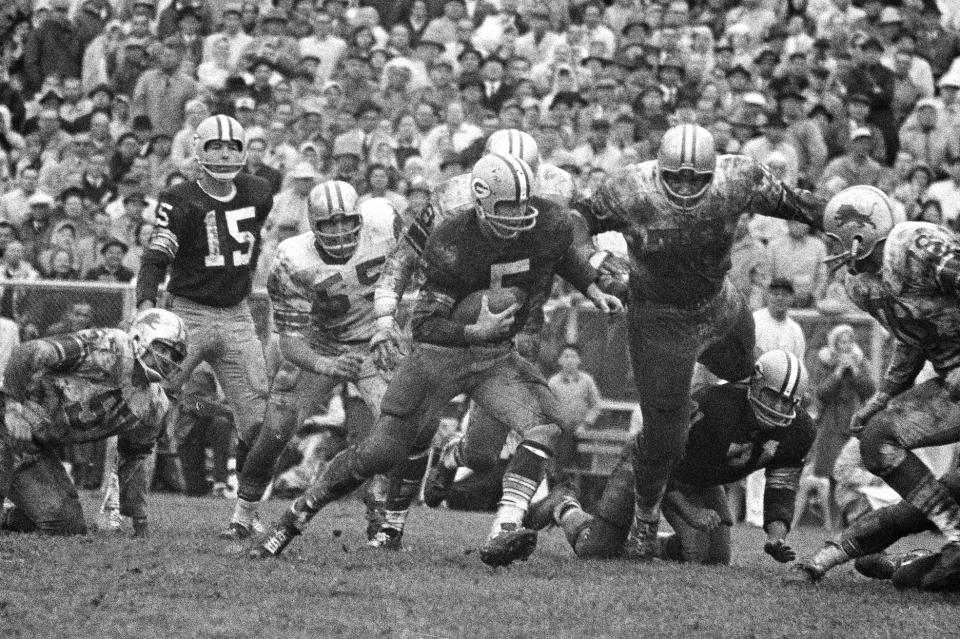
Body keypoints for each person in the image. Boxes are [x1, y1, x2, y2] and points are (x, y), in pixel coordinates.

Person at [252, 153, 622, 567]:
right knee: (380, 454)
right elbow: (426, 324)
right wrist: (471, 332)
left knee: (547, 425)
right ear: (481, 204)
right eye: (507, 207)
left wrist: (591, 287)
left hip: (495, 354)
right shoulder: (451, 241)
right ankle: (296, 514)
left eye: (524, 204)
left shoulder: (548, 220)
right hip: (441, 355)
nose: (519, 216)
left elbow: (560, 255)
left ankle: (505, 527)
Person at [573, 123, 824, 561]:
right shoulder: (629, 187)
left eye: (696, 177)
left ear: (712, 173)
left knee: (752, 370)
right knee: (663, 440)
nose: (686, 186)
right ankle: (640, 515)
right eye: (677, 176)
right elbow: (577, 222)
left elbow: (794, 203)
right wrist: (596, 263)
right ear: (659, 171)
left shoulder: (737, 177)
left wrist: (844, 221)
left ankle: (671, 512)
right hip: (658, 320)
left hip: (717, 305)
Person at [790, 185, 960, 590]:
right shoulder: (861, 285)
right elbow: (911, 335)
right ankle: (952, 537)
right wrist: (884, 396)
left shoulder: (916, 244)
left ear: (864, 232)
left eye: (838, 236)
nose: (833, 247)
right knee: (878, 438)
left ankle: (905, 563)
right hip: (953, 383)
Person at [531, 350, 814, 565]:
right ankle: (564, 505)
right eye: (773, 396)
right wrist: (691, 513)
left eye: (787, 401)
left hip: (700, 476)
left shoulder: (798, 430)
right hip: (646, 463)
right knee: (595, 550)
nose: (779, 407)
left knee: (713, 558)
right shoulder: (713, 408)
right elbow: (659, 465)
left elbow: (782, 487)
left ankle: (644, 543)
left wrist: (776, 537)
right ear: (754, 384)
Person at [230, 186, 398, 540]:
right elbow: (289, 341)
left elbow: (412, 265)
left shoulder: (384, 223)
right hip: (317, 345)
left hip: (373, 341)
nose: (339, 233)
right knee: (276, 430)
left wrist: (389, 325)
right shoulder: (293, 257)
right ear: (312, 224)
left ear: (360, 217)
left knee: (392, 433)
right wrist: (326, 365)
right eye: (329, 224)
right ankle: (243, 514)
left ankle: (380, 519)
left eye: (346, 222)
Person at [135, 114, 274, 539]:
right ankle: (121, 503)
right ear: (198, 149)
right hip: (187, 314)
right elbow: (155, 257)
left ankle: (245, 517)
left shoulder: (259, 192)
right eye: (216, 145)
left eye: (233, 145)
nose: (225, 152)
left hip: (236, 315)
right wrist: (145, 304)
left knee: (259, 422)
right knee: (145, 407)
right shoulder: (179, 198)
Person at [0, 308, 185, 536]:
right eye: (163, 348)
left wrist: (140, 522)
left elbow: (134, 460)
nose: (168, 361)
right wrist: (13, 409)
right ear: (141, 336)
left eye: (176, 356)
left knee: (66, 524)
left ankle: (8, 517)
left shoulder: (154, 405)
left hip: (30, 445)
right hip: (6, 416)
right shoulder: (112, 347)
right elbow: (28, 352)